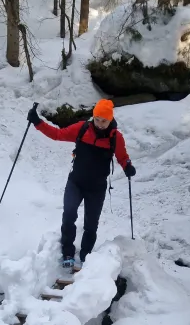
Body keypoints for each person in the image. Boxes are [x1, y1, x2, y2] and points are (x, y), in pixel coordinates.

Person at [27, 99, 136, 269]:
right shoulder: (82, 129)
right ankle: (68, 253)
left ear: (110, 120)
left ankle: (86, 256)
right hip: (76, 182)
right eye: (97, 119)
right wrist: (37, 122)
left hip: (97, 187)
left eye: (104, 121)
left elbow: (122, 156)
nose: (100, 124)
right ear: (93, 117)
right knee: (69, 214)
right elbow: (57, 134)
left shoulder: (115, 137)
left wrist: (127, 165)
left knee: (91, 224)